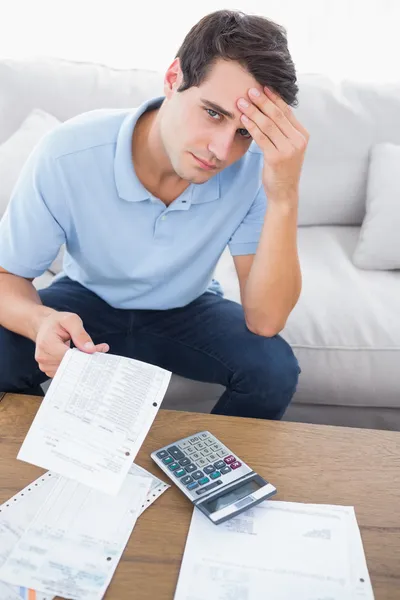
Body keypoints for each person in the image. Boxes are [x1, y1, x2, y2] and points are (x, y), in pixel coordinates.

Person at [0, 9, 309, 419]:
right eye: (213, 112)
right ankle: (56, 460)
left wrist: (284, 194)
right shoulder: (67, 153)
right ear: (173, 78)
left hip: (188, 308)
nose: (220, 150)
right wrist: (40, 321)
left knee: (273, 369)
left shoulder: (254, 172)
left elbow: (266, 321)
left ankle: (209, 473)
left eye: (244, 133)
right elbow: (7, 278)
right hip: (87, 299)